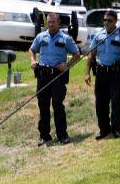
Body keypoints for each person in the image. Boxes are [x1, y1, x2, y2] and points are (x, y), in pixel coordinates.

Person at [28, 13, 81, 146]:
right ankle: (44, 136)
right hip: (43, 75)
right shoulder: (41, 36)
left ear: (58, 23)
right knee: (43, 105)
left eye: (53, 22)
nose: (51, 24)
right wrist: (33, 60)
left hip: (57, 76)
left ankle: (62, 135)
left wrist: (67, 65)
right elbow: (31, 49)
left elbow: (77, 54)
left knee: (57, 104)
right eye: (49, 22)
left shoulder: (65, 38)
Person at [84, 10, 120, 139]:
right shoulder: (98, 35)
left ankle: (116, 129)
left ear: (115, 21)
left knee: (116, 102)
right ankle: (104, 129)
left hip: (116, 74)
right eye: (105, 20)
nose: (106, 23)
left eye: (109, 20)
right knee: (100, 102)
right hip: (101, 73)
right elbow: (91, 54)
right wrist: (87, 73)